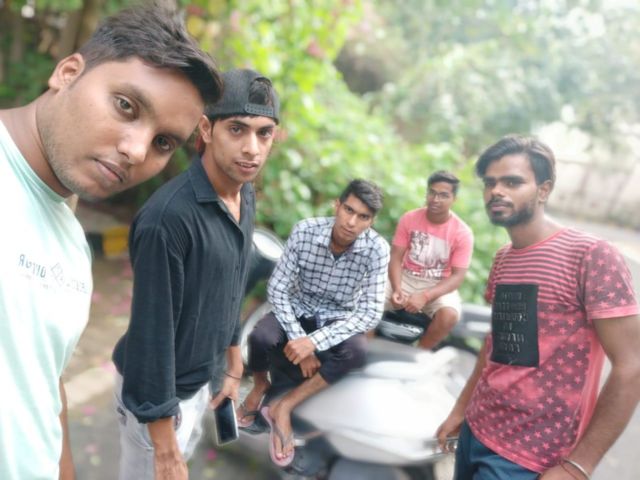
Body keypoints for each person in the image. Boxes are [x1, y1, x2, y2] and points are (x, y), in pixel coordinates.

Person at [0, 5, 220, 480]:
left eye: (163, 143)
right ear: (68, 72)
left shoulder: (73, 246)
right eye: (126, 106)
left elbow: (43, 382)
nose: (137, 150)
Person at [436, 135, 640, 479]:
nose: (496, 191)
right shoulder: (504, 258)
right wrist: (461, 409)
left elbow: (631, 365)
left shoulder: (591, 255)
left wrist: (579, 466)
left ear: (544, 190)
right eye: (490, 183)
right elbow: (496, 343)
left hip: (530, 455)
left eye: (512, 182)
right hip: (477, 428)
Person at [111, 68, 279, 480]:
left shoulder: (244, 192)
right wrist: (164, 444)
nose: (252, 148)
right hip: (158, 404)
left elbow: (232, 282)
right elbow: (151, 336)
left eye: (264, 133)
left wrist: (232, 363)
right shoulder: (167, 220)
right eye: (237, 129)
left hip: (201, 382)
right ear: (206, 129)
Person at [238, 179, 390, 467]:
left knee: (357, 352)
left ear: (371, 221)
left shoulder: (377, 249)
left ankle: (285, 406)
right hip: (298, 309)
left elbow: (370, 312)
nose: (351, 222)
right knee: (260, 337)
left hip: (337, 318)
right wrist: (300, 338)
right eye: (348, 210)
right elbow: (278, 288)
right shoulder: (305, 230)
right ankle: (259, 386)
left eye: (363, 217)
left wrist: (314, 342)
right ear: (337, 205)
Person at [385, 170, 474, 349]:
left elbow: (457, 277)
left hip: (438, 284)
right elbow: (395, 258)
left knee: (449, 315)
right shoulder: (409, 218)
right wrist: (396, 288)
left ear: (454, 199)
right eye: (432, 192)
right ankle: (363, 350)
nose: (435, 199)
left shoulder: (462, 233)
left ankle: (419, 354)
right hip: (405, 276)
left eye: (444, 195)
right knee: (369, 296)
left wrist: (425, 296)